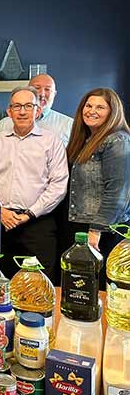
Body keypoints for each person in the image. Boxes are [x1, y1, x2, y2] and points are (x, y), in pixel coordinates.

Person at [0, 86, 68, 281]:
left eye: (28, 105)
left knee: (38, 283)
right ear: (9, 111)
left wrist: (29, 214)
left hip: (38, 223)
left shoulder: (52, 142)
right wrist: (0, 210)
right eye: (17, 106)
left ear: (38, 110)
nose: (22, 111)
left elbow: (58, 184)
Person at [65, 88, 130, 270]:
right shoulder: (86, 140)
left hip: (103, 231)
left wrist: (96, 230)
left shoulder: (118, 141)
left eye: (100, 107)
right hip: (81, 225)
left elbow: (118, 193)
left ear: (113, 112)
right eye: (88, 105)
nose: (92, 111)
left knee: (99, 287)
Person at [0, 74, 74, 147]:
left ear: (54, 94)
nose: (42, 94)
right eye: (37, 88)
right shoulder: (3, 125)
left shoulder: (69, 125)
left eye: (47, 89)